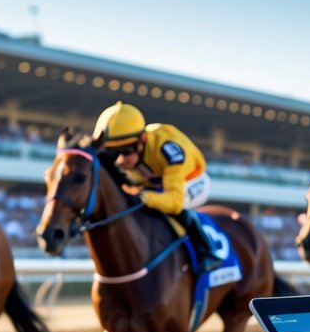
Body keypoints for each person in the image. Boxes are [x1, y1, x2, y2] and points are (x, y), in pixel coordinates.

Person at [92, 101, 222, 273]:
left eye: (125, 151)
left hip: (191, 180)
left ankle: (208, 251)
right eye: (113, 153)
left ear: (142, 139)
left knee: (176, 208)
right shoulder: (131, 151)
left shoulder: (168, 148)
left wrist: (145, 197)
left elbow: (174, 201)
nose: (120, 160)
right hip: (155, 182)